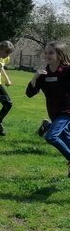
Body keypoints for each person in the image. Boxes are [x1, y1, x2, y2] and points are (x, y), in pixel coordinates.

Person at [25, 42, 70, 177]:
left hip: (67, 112)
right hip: (53, 113)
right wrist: (34, 78)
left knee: (51, 137)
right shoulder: (43, 74)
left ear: (60, 55)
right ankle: (49, 125)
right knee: (67, 139)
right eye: (45, 52)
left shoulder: (68, 71)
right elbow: (30, 93)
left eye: (51, 53)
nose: (47, 55)